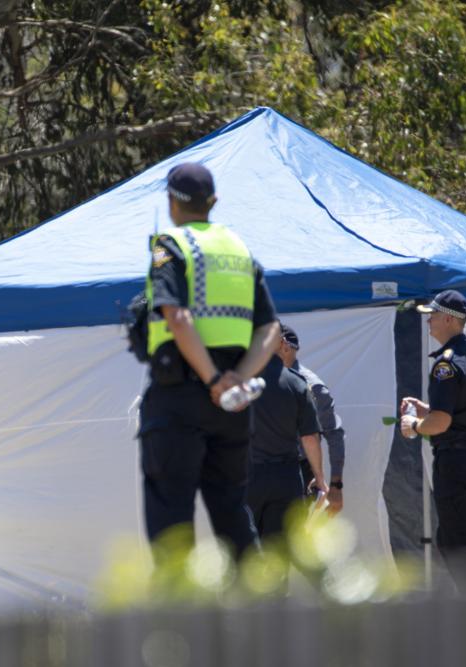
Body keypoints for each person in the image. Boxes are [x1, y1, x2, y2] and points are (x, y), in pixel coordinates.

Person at [138, 162, 281, 566]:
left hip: (179, 395)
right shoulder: (239, 249)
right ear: (212, 202)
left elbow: (177, 317)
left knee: (171, 520)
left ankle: (179, 622)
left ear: (171, 201)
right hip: (231, 406)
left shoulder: (170, 245)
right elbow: (270, 328)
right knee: (232, 512)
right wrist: (237, 379)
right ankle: (259, 615)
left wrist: (213, 378)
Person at [400, 290, 466, 595]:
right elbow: (460, 414)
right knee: (452, 538)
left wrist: (414, 425)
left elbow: (442, 423)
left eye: (434, 315)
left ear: (450, 320)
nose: (429, 321)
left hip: (457, 462)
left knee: (459, 543)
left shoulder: (446, 364)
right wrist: (428, 411)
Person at [247, 336, 326, 540]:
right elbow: (310, 436)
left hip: (246, 476)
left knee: (243, 551)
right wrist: (319, 478)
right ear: (282, 344)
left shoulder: (238, 382)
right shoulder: (296, 383)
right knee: (278, 553)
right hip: (286, 478)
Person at [277, 323, 346, 514]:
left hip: (297, 471)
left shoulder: (312, 387)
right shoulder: (262, 380)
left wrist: (335, 485)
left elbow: (334, 435)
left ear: (285, 346)